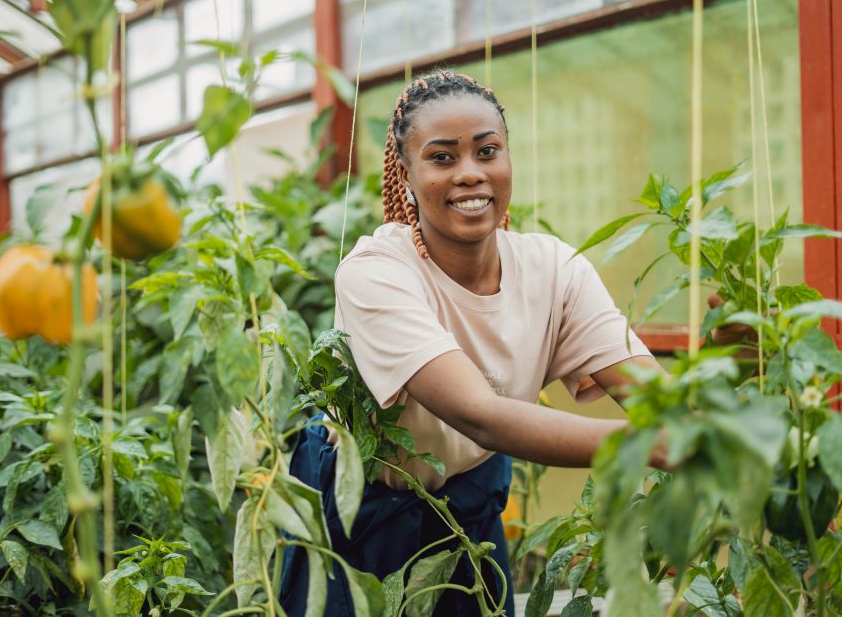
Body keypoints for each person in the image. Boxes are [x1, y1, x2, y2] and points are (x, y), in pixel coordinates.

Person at [279, 70, 665, 616]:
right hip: (364, 509)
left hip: (467, 503)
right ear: (406, 174)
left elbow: (657, 396)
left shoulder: (554, 268)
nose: (470, 174)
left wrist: (728, 376)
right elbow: (477, 413)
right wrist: (647, 443)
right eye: (442, 157)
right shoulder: (375, 272)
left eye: (488, 151)